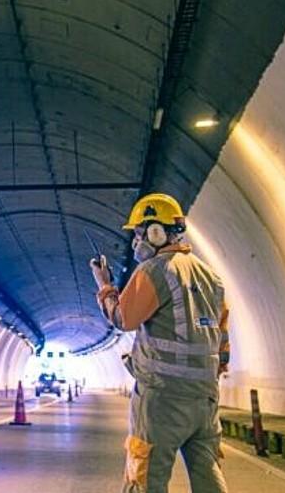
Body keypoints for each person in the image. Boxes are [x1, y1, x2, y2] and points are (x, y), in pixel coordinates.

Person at [89, 193, 230, 493]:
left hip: (162, 399)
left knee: (145, 478)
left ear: (157, 231)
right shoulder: (212, 278)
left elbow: (123, 318)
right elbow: (223, 341)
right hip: (205, 399)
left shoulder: (155, 270)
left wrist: (104, 286)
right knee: (208, 475)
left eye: (139, 233)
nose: (136, 242)